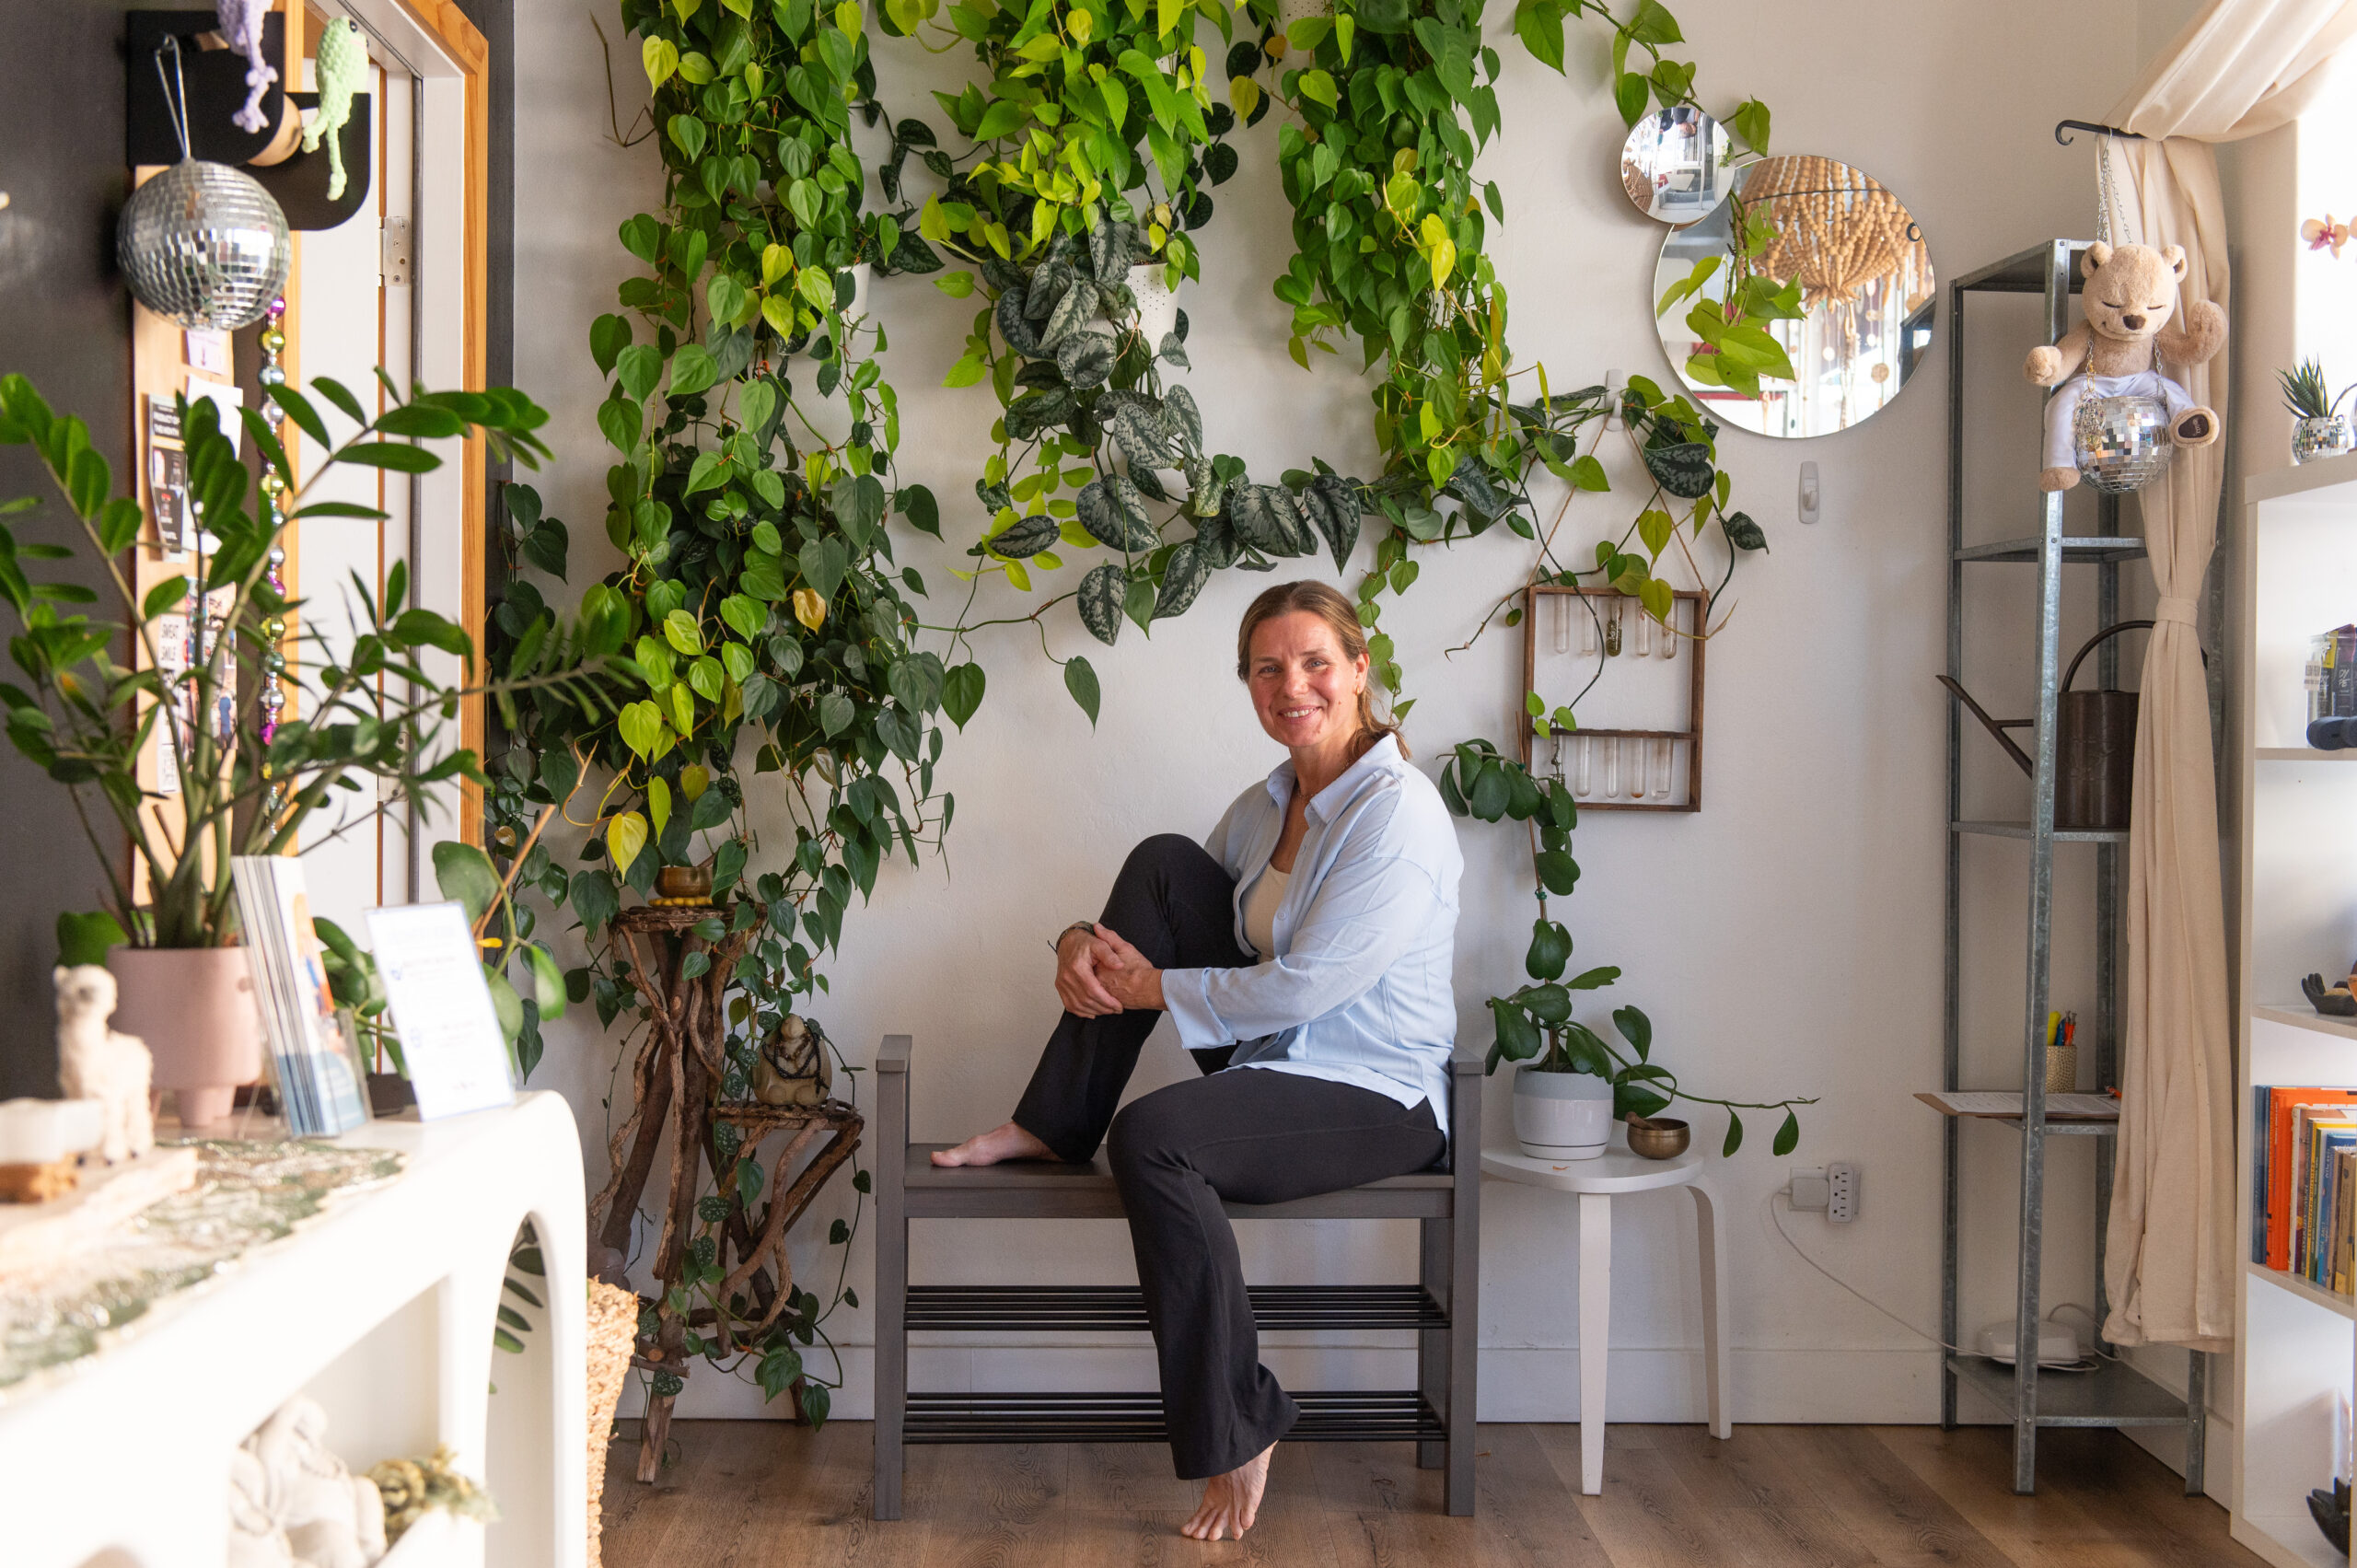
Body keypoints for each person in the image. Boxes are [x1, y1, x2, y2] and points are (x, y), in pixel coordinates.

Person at [932, 579, 1463, 1540]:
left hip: (1373, 1089)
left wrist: (1149, 990)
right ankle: (1052, 1122)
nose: (1289, 684)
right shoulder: (1269, 804)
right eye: (1267, 667)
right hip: (1272, 1060)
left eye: (1311, 662)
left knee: (1156, 1136)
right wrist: (1074, 940)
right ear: (1248, 683)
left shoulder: (1398, 814)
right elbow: (1169, 920)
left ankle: (1237, 1421)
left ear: (1357, 671)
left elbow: (1305, 987)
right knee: (1164, 862)